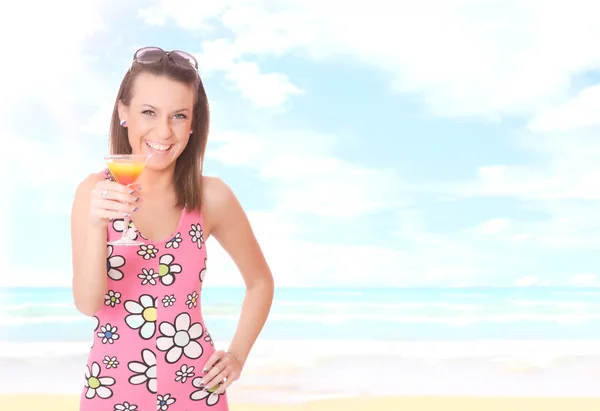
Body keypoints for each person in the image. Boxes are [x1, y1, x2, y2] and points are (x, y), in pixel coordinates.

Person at [70, 46, 275, 411]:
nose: (163, 131)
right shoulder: (94, 193)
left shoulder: (211, 196)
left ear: (194, 123)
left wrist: (238, 356)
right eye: (149, 112)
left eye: (179, 115)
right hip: (112, 390)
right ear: (123, 113)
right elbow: (88, 305)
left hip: (196, 392)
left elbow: (260, 282)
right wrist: (97, 223)